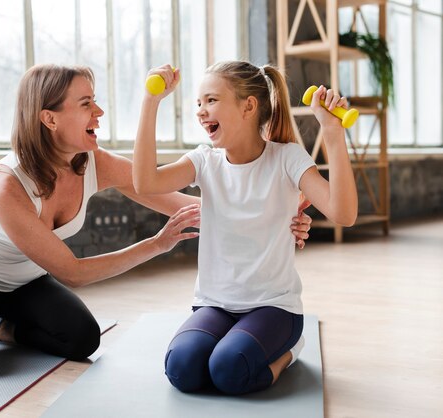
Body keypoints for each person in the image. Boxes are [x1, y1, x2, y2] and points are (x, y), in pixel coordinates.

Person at [0, 64, 314, 376]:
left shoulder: (93, 162)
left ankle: (8, 326)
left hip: (22, 281)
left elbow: (168, 196)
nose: (99, 111)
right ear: (49, 119)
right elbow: (72, 272)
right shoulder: (6, 185)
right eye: (86, 103)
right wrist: (156, 245)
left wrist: (274, 219)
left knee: (82, 338)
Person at [132, 61, 357, 395]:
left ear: (248, 106)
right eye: (198, 103)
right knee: (181, 369)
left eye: (210, 100)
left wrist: (333, 133)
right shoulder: (204, 161)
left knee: (229, 371)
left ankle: (290, 352)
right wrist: (151, 102)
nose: (201, 111)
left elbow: (343, 214)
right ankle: (236, 344)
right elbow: (146, 182)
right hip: (214, 304)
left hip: (274, 307)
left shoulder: (287, 159)